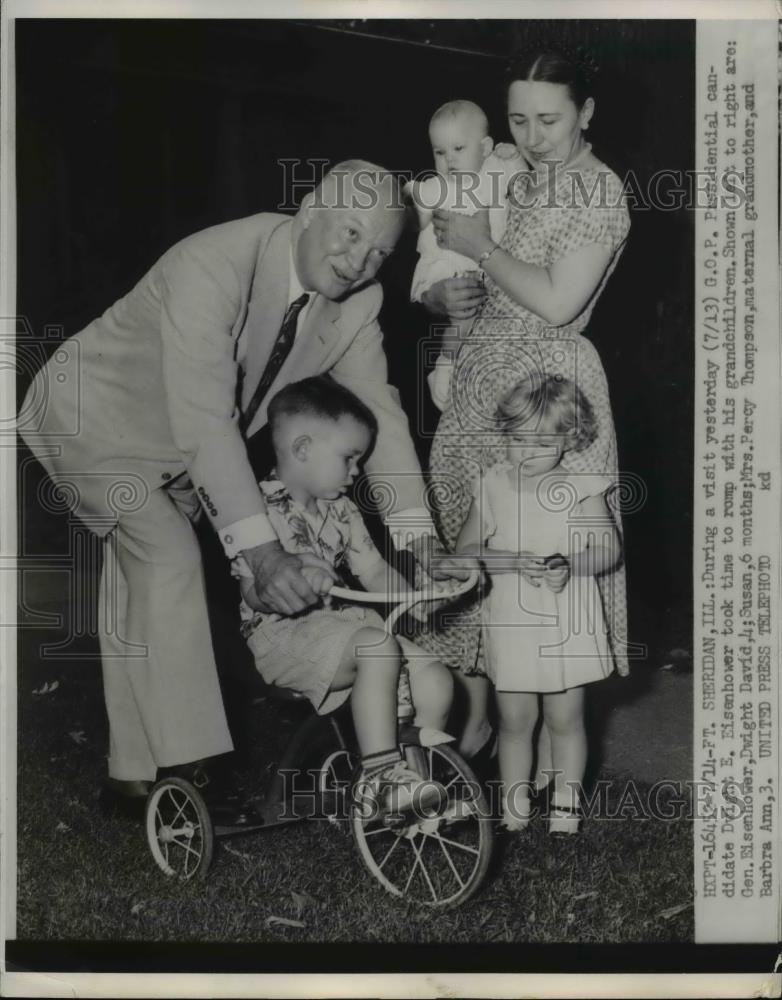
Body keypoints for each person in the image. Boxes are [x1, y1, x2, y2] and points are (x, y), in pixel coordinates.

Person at [19, 160, 448, 819]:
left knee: (146, 583)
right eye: (351, 232)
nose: (359, 260)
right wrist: (263, 553)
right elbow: (205, 417)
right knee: (167, 555)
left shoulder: (359, 304)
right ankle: (191, 772)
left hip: (182, 441)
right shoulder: (215, 259)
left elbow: (381, 417)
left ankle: (132, 779)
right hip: (92, 416)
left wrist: (421, 541)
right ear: (308, 210)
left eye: (380, 251)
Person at [417, 46, 632, 764]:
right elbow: (449, 265)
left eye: (549, 120)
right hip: (479, 381)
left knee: (550, 555)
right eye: (519, 119)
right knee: (478, 550)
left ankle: (553, 758)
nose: (533, 136)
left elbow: (557, 300)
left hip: (545, 392)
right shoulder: (510, 173)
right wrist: (439, 306)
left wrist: (480, 247)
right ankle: (488, 725)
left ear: (586, 113)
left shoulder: (595, 190)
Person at [233, 376, 453, 808]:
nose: (356, 472)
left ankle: (419, 783)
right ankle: (381, 775)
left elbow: (372, 569)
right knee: (378, 647)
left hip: (344, 629)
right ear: (302, 450)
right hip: (283, 637)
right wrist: (291, 583)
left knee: (435, 679)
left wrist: (417, 597)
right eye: (349, 459)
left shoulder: (341, 509)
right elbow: (253, 593)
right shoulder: (256, 514)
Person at [452, 374, 620, 834]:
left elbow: (608, 549)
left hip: (566, 616)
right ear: (504, 435)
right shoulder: (491, 484)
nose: (527, 451)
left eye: (543, 441)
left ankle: (566, 808)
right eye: (518, 439)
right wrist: (506, 559)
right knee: (514, 720)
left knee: (565, 718)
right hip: (512, 619)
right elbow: (466, 550)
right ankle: (515, 808)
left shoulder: (582, 486)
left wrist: (572, 563)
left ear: (569, 439)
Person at [406, 100, 523, 411]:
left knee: (486, 326)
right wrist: (405, 200)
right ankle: (445, 367)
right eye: (439, 152)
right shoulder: (434, 187)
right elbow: (412, 216)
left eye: (458, 148)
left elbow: (522, 180)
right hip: (447, 267)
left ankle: (467, 373)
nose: (449, 160)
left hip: (490, 266)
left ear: (484, 147)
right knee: (463, 317)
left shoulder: (496, 169)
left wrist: (513, 155)